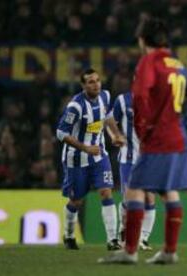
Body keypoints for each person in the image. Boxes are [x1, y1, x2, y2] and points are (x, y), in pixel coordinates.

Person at [99, 17, 187, 264]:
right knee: (169, 191)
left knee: (135, 188)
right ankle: (169, 251)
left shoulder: (149, 61)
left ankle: (130, 251)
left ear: (142, 39)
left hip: (158, 139)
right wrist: (184, 124)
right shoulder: (177, 63)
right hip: (178, 139)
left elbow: (140, 97)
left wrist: (144, 130)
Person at [56, 68, 126, 250]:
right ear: (83, 85)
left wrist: (114, 134)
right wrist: (85, 147)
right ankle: (69, 235)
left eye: (97, 80)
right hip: (76, 159)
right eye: (91, 82)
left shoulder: (105, 96)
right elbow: (61, 132)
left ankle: (112, 240)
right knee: (76, 201)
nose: (96, 85)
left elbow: (108, 117)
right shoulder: (76, 106)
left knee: (106, 192)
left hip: (99, 156)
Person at [111, 92, 156, 251]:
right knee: (129, 200)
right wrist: (115, 135)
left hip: (149, 159)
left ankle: (143, 238)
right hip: (128, 159)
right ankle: (121, 232)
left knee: (150, 198)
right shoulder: (123, 100)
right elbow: (109, 120)